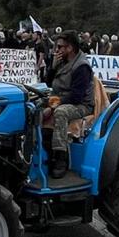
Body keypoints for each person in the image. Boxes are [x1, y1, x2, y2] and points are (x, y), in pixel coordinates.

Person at [43, 31, 95, 178]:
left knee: (61, 112)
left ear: (70, 48)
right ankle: (40, 147)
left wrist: (52, 106)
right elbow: (48, 83)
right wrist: (53, 67)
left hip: (81, 105)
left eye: (60, 47)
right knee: (33, 105)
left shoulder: (81, 66)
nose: (57, 50)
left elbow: (76, 97)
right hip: (58, 99)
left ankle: (61, 158)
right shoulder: (61, 61)